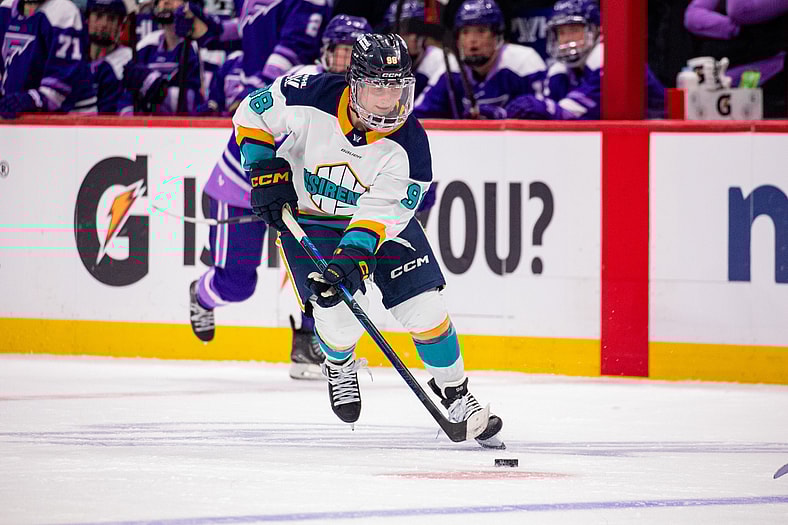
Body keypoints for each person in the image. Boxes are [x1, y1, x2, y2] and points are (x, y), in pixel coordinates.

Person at [232, 33, 505, 448]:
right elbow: (252, 113)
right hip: (311, 218)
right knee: (337, 314)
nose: (387, 99)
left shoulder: (411, 148)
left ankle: (456, 394)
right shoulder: (309, 93)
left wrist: (354, 254)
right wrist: (263, 169)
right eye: (377, 86)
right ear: (354, 83)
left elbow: (381, 215)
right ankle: (339, 361)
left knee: (425, 308)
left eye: (396, 87)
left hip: (377, 226)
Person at [505, 0, 665, 119]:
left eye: (574, 30)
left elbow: (570, 114)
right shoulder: (560, 70)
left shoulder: (609, 60)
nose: (566, 39)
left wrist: (542, 107)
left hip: (653, 135)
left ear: (595, 30)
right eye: (561, 33)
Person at [413, 0, 546, 119]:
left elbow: (546, 111)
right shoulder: (452, 68)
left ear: (498, 36)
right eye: (465, 32)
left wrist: (505, 115)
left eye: (481, 31)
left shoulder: (523, 62)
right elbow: (419, 114)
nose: (472, 40)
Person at [684, 0, 788, 118]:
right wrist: (735, 29)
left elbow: (740, 10)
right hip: (725, 69)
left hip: (770, 72)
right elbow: (692, 17)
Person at [0, 0, 97, 118]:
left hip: (71, 120)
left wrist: (29, 100)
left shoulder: (64, 12)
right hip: (21, 119)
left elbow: (61, 87)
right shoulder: (5, 9)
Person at [118, 0, 204, 114]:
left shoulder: (198, 47)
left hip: (179, 125)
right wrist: (131, 119)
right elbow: (126, 97)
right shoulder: (146, 45)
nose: (166, 2)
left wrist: (159, 89)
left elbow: (195, 103)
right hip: (145, 124)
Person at [286, 13, 373, 76]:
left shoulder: (372, 86)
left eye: (358, 53)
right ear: (328, 50)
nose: (352, 58)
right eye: (346, 50)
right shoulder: (303, 76)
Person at [86, 0, 133, 113]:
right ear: (87, 20)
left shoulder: (128, 58)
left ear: (120, 26)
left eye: (111, 19)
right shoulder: (74, 57)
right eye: (98, 16)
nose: (104, 24)